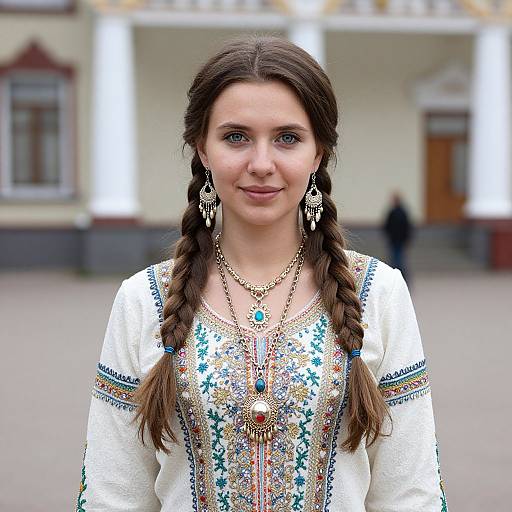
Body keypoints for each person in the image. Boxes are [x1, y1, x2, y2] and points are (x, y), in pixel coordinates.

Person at [76, 36, 448, 512]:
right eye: (236, 137)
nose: (261, 164)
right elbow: (113, 495)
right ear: (202, 150)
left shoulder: (378, 294)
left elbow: (410, 494)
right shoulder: (144, 300)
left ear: (318, 154)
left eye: (287, 138)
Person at [383, 192, 413, 281]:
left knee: (397, 260)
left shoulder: (400, 212)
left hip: (398, 240)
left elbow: (407, 227)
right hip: (395, 240)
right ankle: (399, 278)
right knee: (397, 259)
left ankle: (398, 278)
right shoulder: (396, 212)